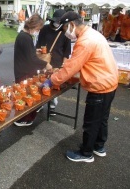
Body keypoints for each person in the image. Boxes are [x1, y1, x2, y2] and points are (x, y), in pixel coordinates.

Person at [43, 11, 118, 162]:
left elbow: (71, 68)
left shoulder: (85, 41)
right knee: (102, 118)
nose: (66, 34)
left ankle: (86, 153)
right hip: (110, 81)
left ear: (71, 25)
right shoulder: (92, 33)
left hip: (100, 84)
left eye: (65, 30)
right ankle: (99, 146)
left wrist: (51, 81)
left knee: (91, 121)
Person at [13, 13, 52, 126]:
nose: (38, 31)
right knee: (26, 95)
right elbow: (31, 59)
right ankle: (24, 119)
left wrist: (34, 51)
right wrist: (46, 64)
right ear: (33, 26)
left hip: (22, 70)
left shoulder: (23, 36)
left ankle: (25, 117)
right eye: (38, 29)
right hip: (24, 71)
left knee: (25, 94)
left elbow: (28, 53)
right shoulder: (25, 38)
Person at [36, 9, 71, 113]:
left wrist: (63, 65)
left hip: (57, 63)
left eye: (59, 22)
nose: (57, 23)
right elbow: (38, 45)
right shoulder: (44, 29)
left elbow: (66, 52)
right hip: (44, 61)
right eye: (56, 21)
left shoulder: (65, 32)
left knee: (53, 84)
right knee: (41, 82)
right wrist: (40, 52)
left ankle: (52, 105)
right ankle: (40, 103)